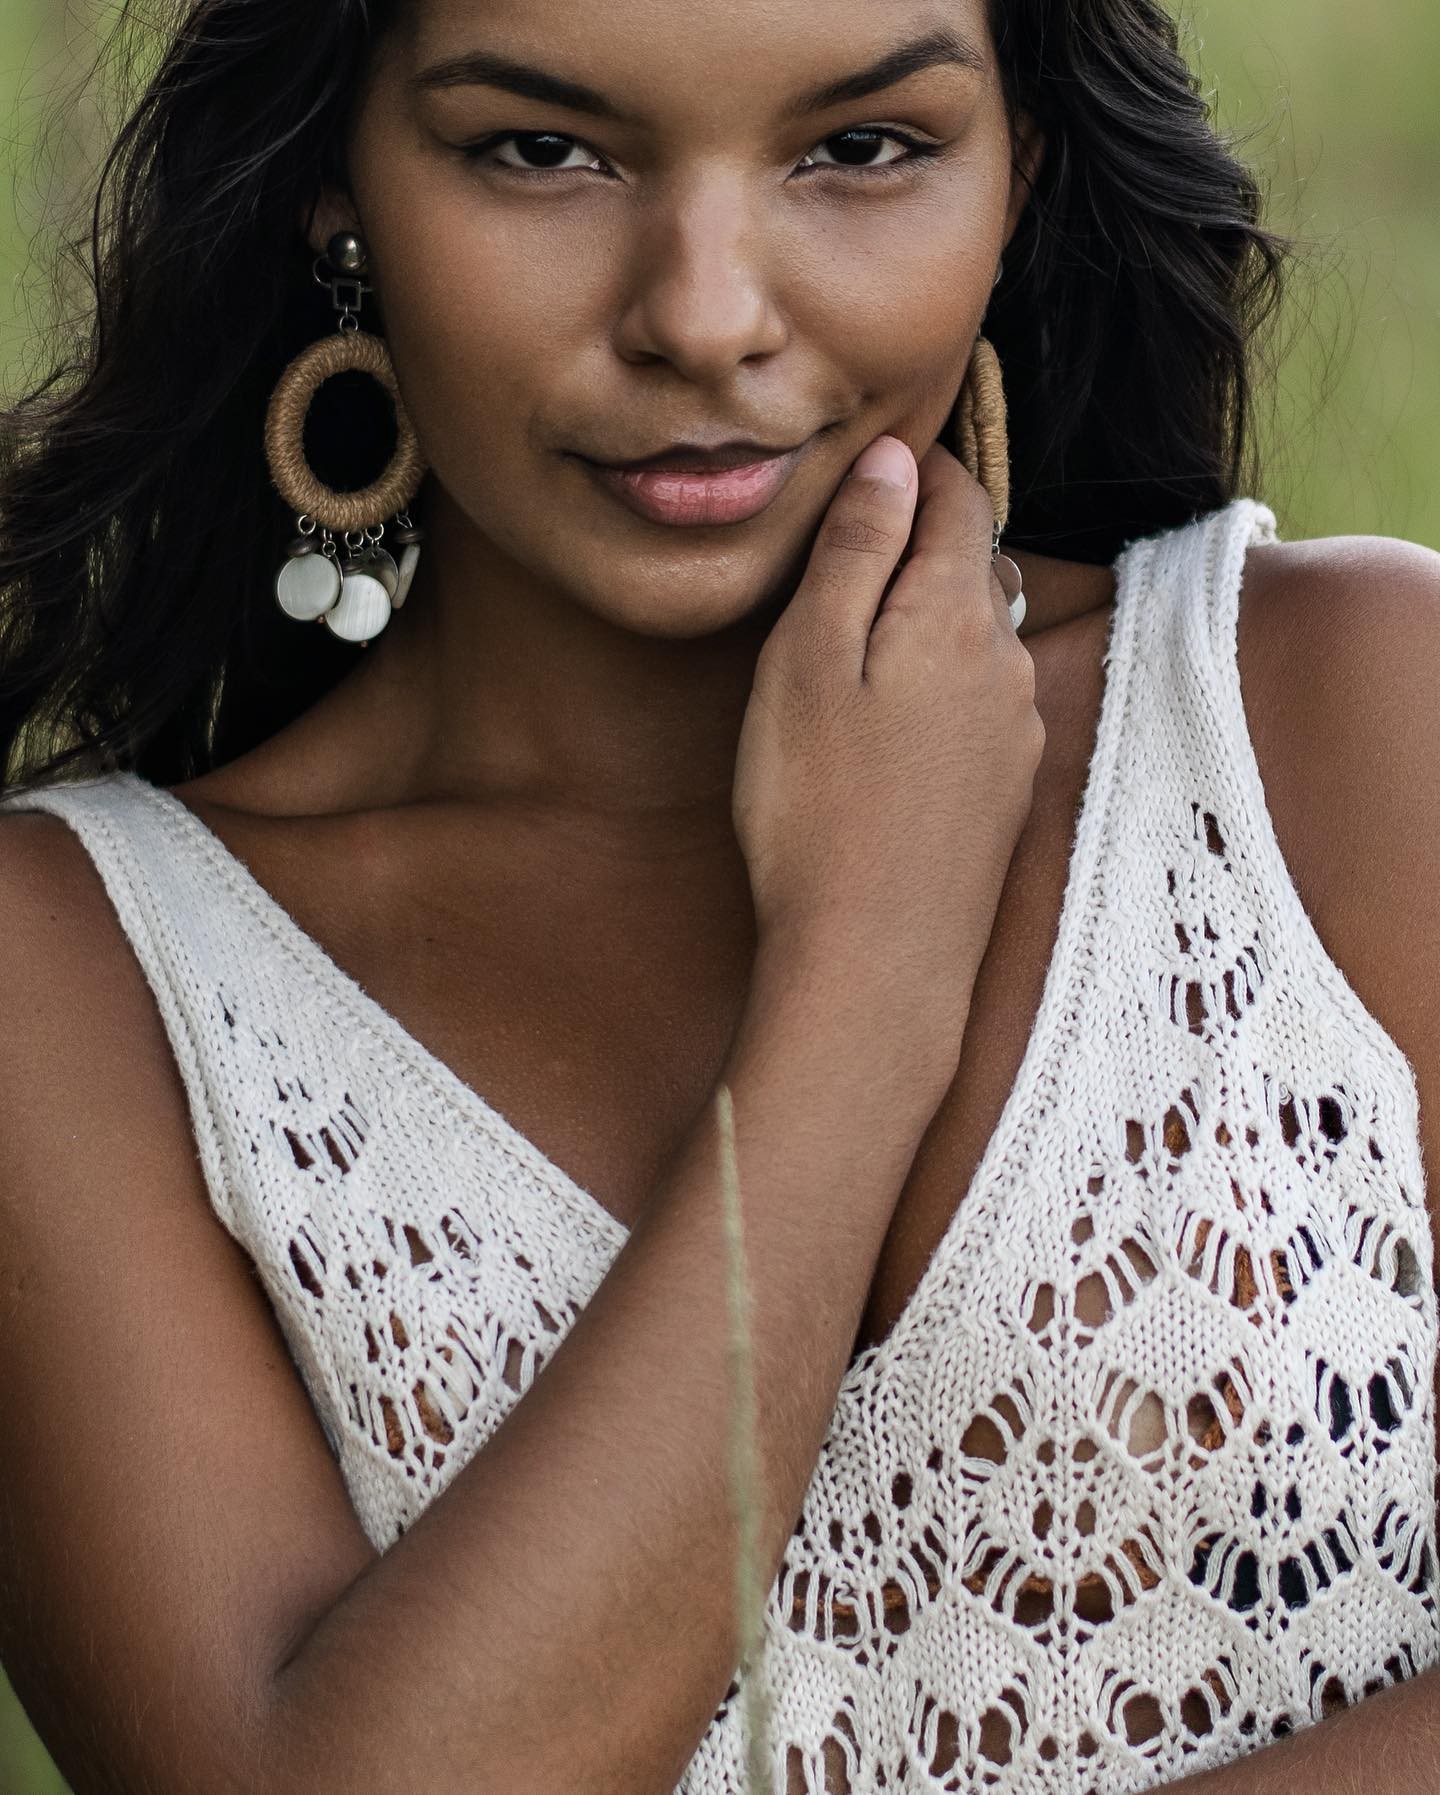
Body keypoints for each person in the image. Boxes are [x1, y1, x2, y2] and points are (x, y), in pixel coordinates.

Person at [1, 0, 1438, 1791]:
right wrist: (864, 971)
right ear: (331, 187)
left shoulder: (1348, 730)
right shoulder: (74, 979)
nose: (703, 313)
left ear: (1021, 175)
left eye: (860, 148)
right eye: (540, 150)